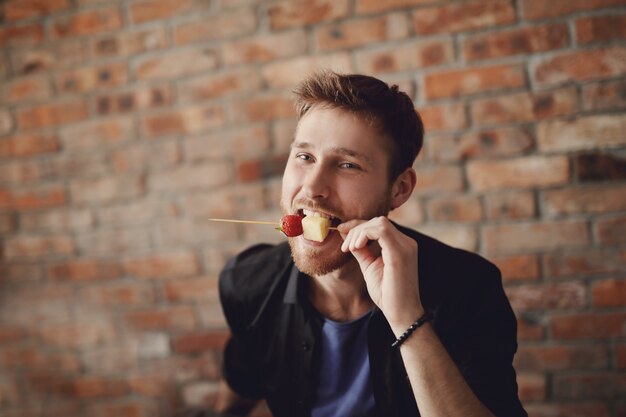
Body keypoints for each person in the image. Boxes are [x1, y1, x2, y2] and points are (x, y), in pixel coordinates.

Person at [214, 70, 527, 417]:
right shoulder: (248, 284)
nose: (313, 188)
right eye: (304, 157)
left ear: (399, 189)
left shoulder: (469, 287)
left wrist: (407, 317)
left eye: (348, 165)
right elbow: (235, 400)